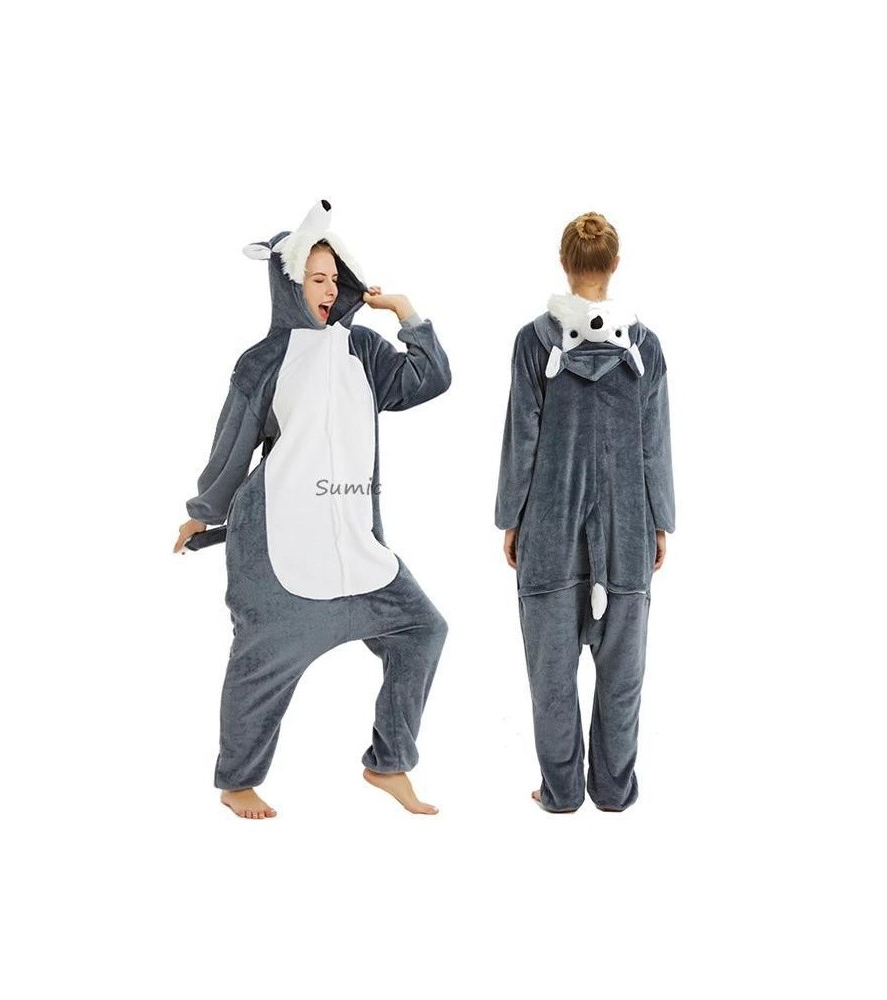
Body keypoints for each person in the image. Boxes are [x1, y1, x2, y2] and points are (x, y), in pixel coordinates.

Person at [174, 200, 451, 819]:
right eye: (315, 278)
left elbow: (431, 379)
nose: (328, 290)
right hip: (280, 546)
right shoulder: (263, 361)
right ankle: (237, 782)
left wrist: (407, 315)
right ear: (288, 284)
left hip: (356, 542)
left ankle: (389, 763)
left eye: (333, 278)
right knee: (260, 668)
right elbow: (233, 443)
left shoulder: (365, 351)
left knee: (423, 630)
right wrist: (203, 511)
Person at [495, 210, 675, 813]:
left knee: (551, 678)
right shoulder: (645, 348)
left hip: (549, 531)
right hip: (626, 531)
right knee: (622, 678)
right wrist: (660, 520)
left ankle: (562, 791)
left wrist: (511, 517)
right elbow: (654, 445)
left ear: (564, 264)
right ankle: (614, 791)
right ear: (615, 265)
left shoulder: (533, 342)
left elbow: (521, 437)